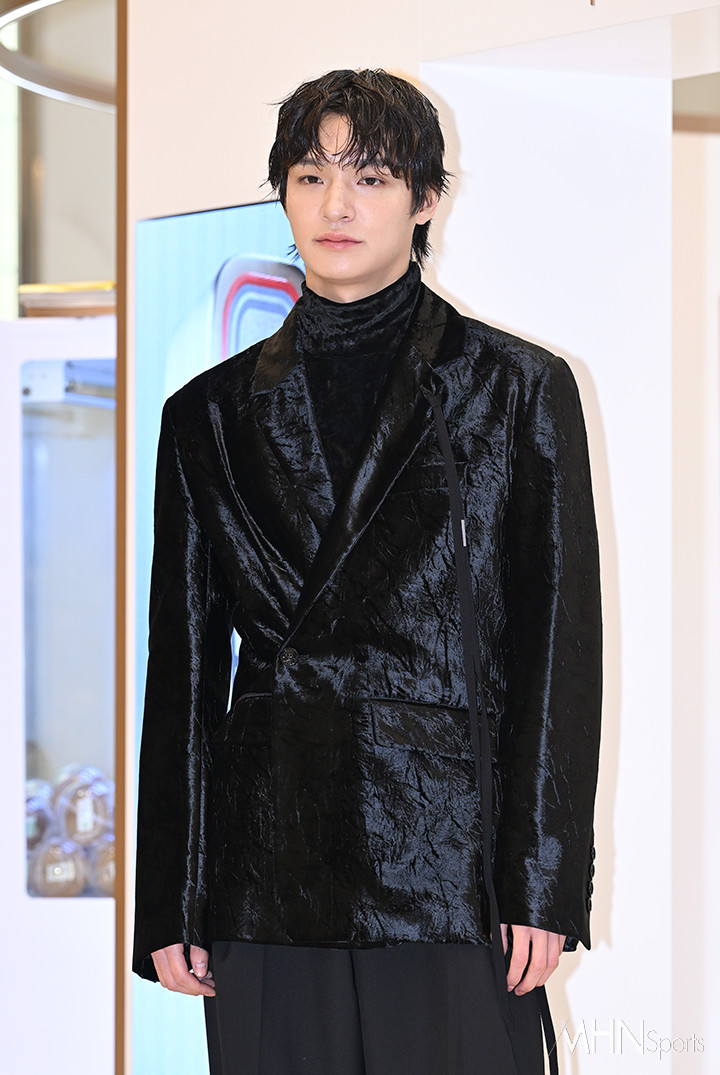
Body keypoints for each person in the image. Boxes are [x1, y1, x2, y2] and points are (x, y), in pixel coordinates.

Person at [133, 68, 602, 1075]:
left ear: (424, 199)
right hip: (267, 864)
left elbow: (557, 650)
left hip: (450, 862)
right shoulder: (207, 415)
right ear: (283, 193)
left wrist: (543, 878)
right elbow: (181, 669)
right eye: (311, 176)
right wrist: (170, 896)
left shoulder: (515, 390)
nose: (336, 205)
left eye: (372, 177)